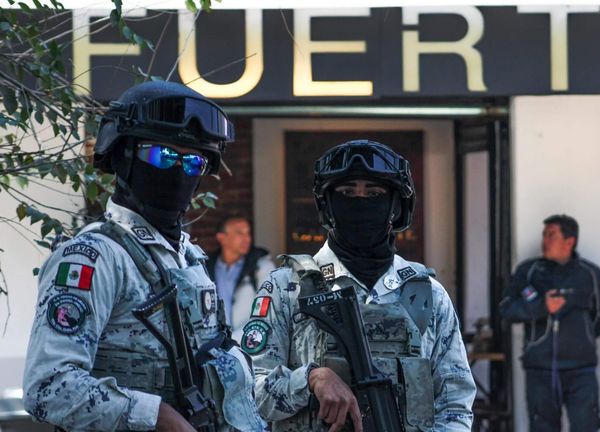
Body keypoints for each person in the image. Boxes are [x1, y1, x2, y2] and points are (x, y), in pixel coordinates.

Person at [23, 81, 266, 432]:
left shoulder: (189, 260)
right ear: (124, 155)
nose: (179, 171)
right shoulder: (93, 258)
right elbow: (47, 388)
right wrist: (155, 415)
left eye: (193, 161)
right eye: (162, 156)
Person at [247, 140, 476, 431]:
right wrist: (310, 379)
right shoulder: (287, 287)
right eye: (346, 193)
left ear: (394, 206)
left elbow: (455, 405)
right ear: (328, 205)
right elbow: (253, 394)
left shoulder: (426, 293)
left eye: (374, 193)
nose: (360, 201)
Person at [499, 214, 600, 432]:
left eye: (552, 235)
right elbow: (506, 308)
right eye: (544, 235)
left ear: (570, 241)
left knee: (586, 426)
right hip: (539, 370)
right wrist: (542, 307)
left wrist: (582, 337)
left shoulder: (591, 274)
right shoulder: (528, 271)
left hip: (581, 371)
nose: (545, 240)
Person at [206, 215, 275, 340]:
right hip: (214, 345)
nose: (247, 238)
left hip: (249, 345)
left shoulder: (261, 267)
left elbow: (268, 311)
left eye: (248, 233)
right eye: (239, 233)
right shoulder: (207, 267)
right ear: (222, 238)